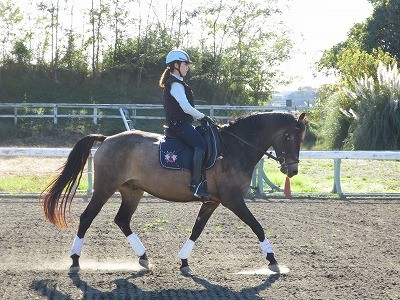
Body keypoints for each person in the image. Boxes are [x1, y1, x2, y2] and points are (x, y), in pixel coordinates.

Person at [159, 49, 212, 199]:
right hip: (179, 124)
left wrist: (200, 118)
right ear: (176, 65)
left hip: (182, 122)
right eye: (185, 64)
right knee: (200, 145)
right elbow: (185, 107)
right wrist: (203, 117)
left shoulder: (178, 82)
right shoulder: (175, 84)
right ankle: (196, 185)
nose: (187, 67)